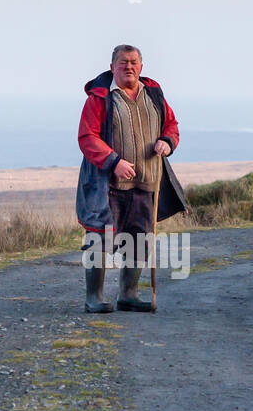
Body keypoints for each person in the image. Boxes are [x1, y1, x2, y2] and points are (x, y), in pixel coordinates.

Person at [75, 44, 187, 312]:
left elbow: (171, 124)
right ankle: (94, 298)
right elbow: (87, 137)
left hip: (147, 180)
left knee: (140, 238)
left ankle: (128, 295)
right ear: (112, 66)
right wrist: (114, 162)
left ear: (141, 66)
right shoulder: (99, 98)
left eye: (134, 62)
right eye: (123, 62)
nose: (129, 67)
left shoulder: (154, 94)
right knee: (99, 238)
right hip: (108, 184)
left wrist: (167, 141)